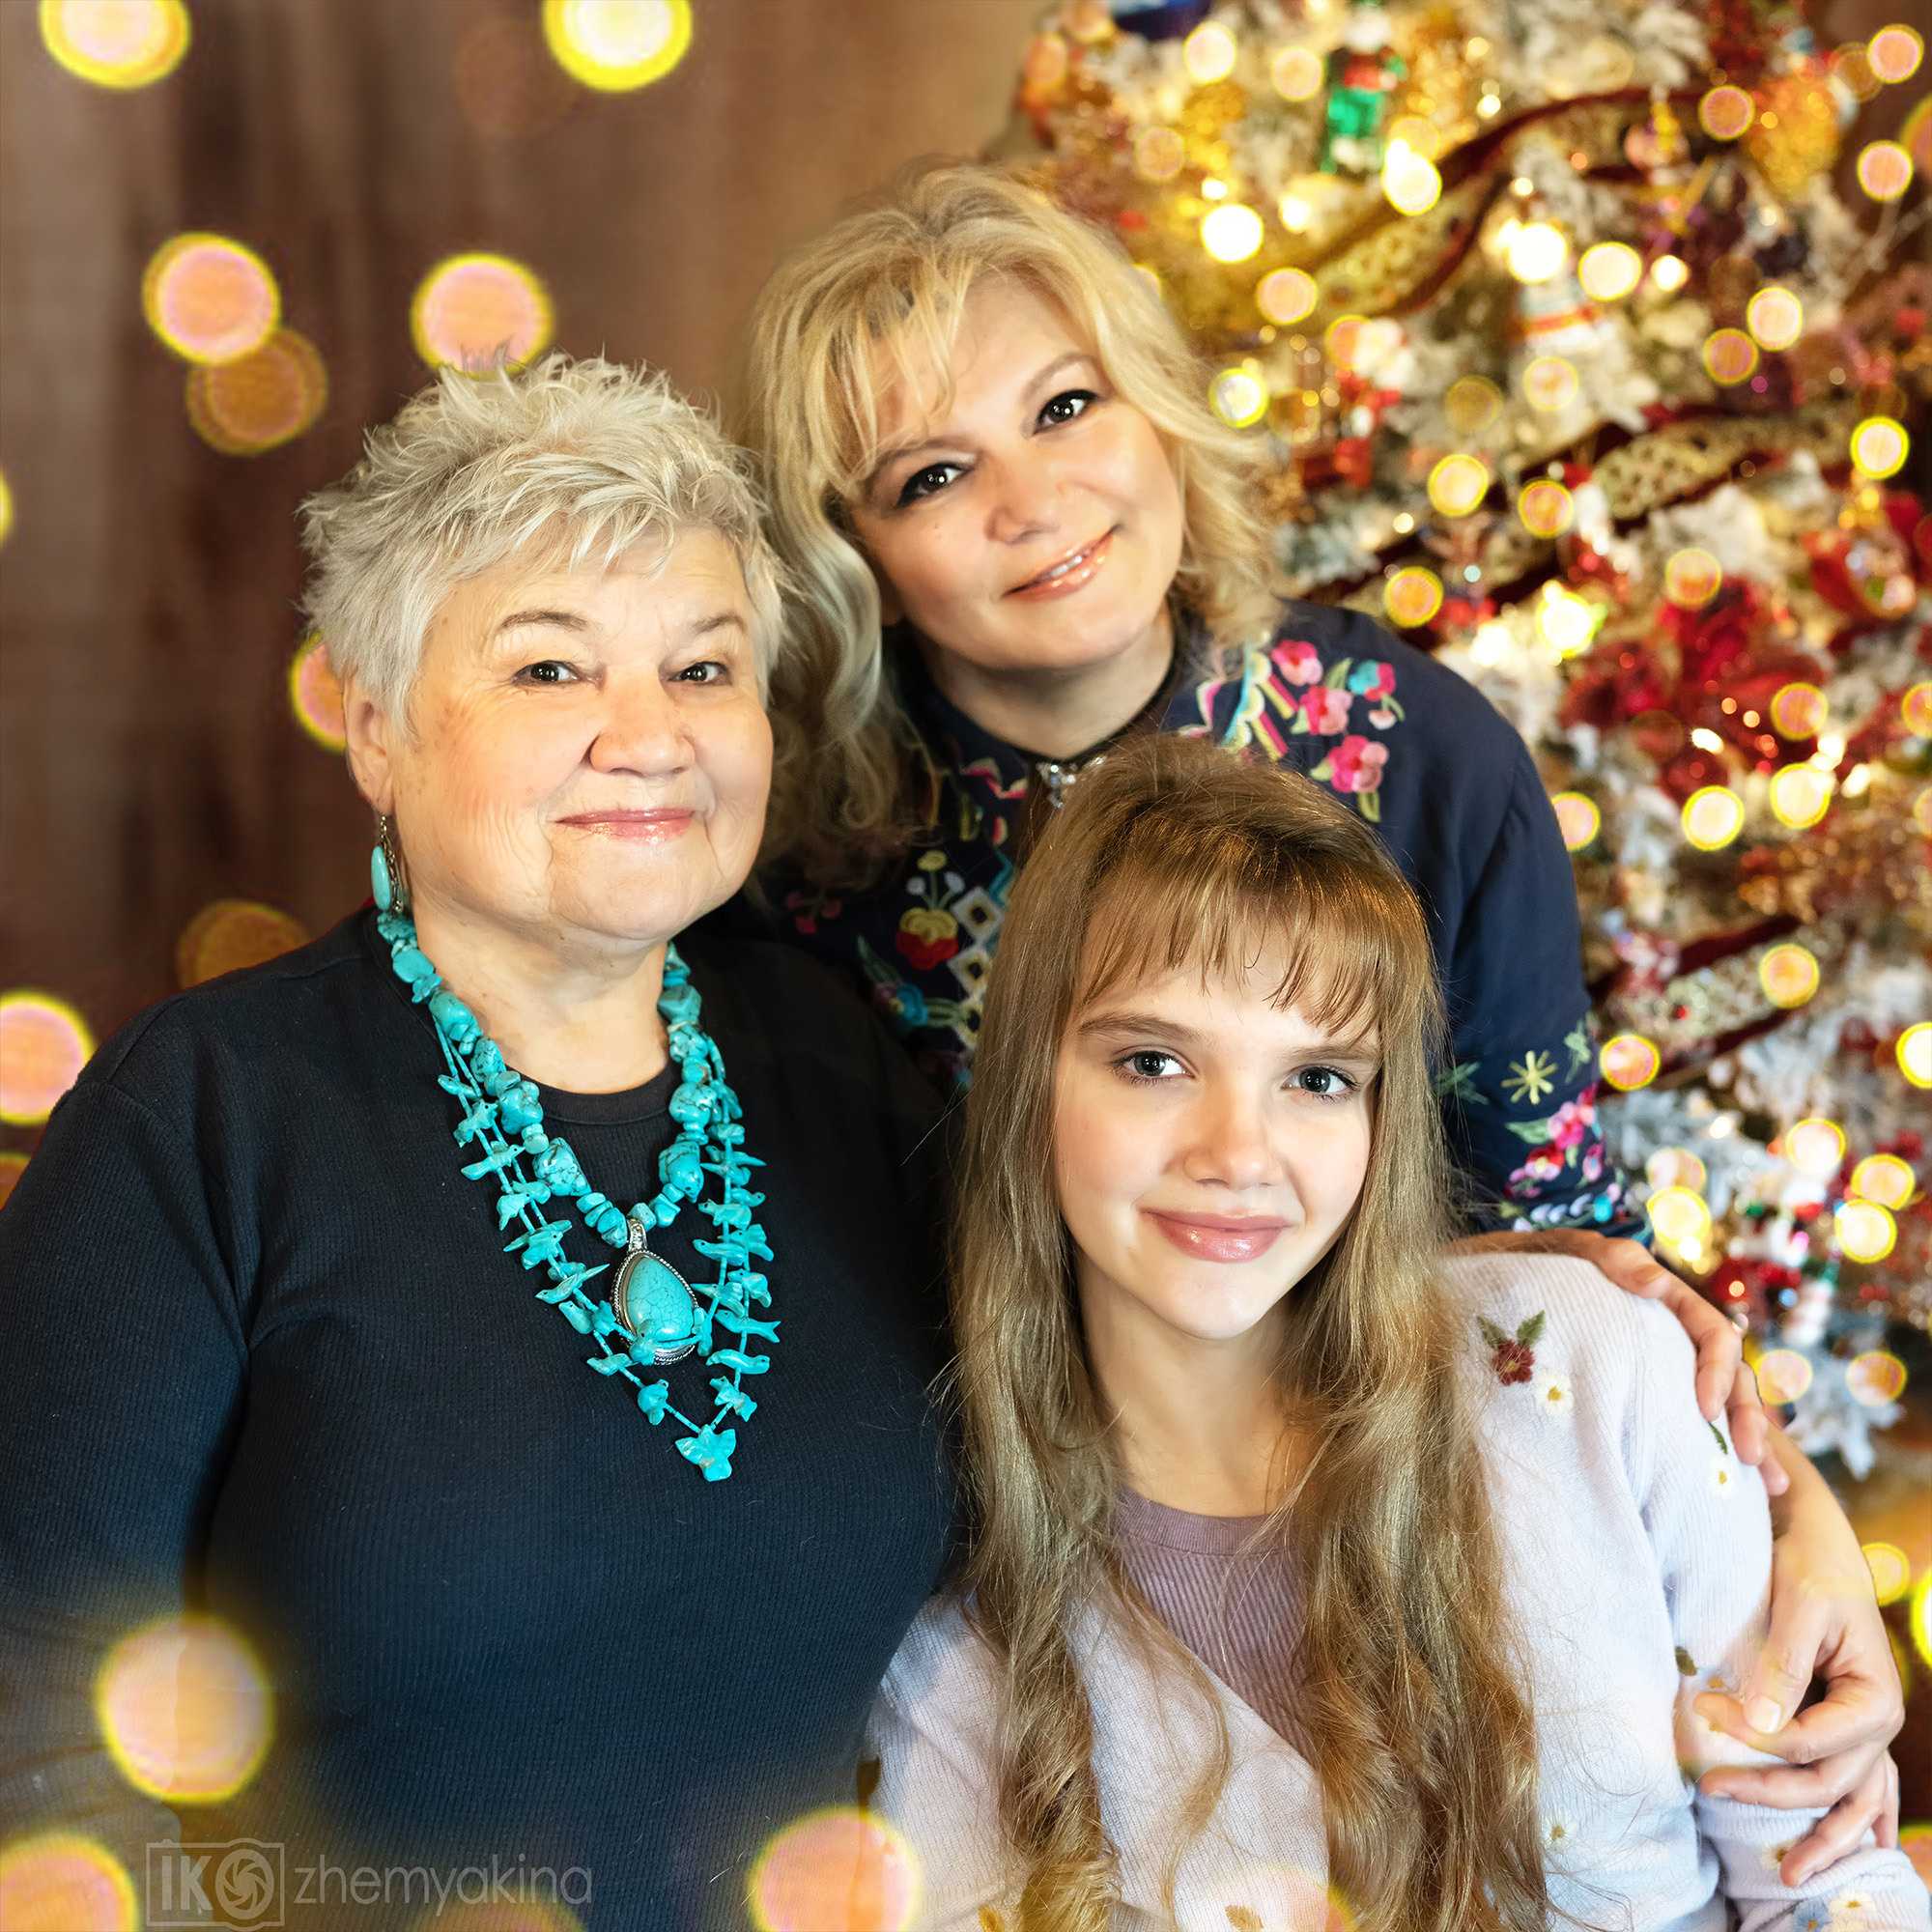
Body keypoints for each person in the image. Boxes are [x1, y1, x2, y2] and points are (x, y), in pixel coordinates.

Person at [723, 159, 1902, 1876]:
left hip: (1414, 1520)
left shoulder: (1417, 759)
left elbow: (1568, 1264)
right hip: (1031, 1572)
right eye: (934, 474)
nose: (1036, 501)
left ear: (1153, 409)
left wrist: (1800, 1530)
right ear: (859, 558)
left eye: (1066, 407)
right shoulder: (811, 870)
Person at [0, 355, 954, 1928]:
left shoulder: (837, 1066)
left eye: (705, 669)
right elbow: (36, 1723)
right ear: (377, 731)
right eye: (549, 671)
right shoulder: (208, 1113)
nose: (649, 736)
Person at [866, 735, 1928, 1932]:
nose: (1237, 1155)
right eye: (1152, 1060)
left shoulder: (1582, 1357)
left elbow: (1827, 1877)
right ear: (1031, 1085)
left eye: (1317, 1077)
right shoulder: (959, 1658)